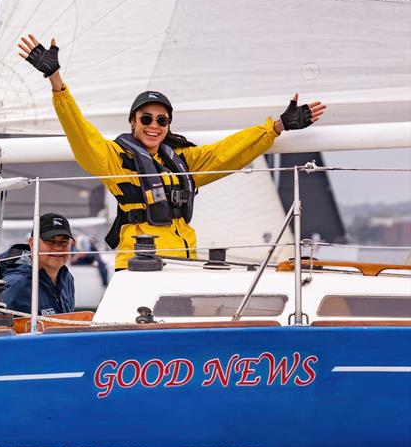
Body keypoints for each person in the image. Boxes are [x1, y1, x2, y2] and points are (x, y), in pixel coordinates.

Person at [18, 34, 327, 270]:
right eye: (146, 118)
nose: (154, 125)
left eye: (161, 120)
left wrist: (276, 127)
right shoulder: (115, 159)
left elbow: (228, 153)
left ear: (168, 125)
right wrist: (56, 81)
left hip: (185, 265)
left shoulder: (182, 162)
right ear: (133, 122)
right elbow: (79, 132)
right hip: (140, 268)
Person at [0, 213, 75, 315]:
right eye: (50, 241)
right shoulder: (16, 286)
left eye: (64, 242)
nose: (58, 248)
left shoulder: (67, 278)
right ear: (32, 243)